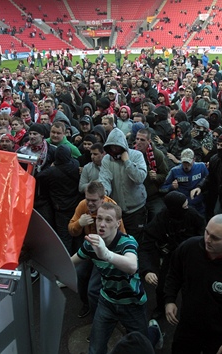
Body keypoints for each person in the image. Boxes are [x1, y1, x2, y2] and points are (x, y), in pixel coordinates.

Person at [71, 202, 162, 354]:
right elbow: (70, 263)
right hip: (107, 301)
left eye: (108, 220)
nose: (102, 224)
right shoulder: (91, 244)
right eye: (99, 219)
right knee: (95, 348)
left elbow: (132, 265)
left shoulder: (127, 241)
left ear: (118, 223)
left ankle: (154, 332)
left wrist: (105, 254)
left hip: (132, 303)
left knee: (141, 347)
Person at [164, 214, 222, 354]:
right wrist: (169, 299)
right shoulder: (190, 248)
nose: (208, 240)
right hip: (188, 328)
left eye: (215, 238)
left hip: (220, 337)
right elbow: (174, 272)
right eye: (207, 232)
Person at [139, 191, 205, 320]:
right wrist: (147, 270)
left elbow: (203, 231)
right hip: (172, 256)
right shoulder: (161, 219)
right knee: (162, 287)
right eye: (184, 206)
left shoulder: (192, 214)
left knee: (195, 287)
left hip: (192, 254)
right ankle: (161, 308)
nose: (187, 208)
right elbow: (146, 245)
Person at [68, 181, 126, 319]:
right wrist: (79, 224)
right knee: (80, 275)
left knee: (93, 289)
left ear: (103, 199)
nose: (89, 203)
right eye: (87, 199)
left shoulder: (112, 209)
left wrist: (115, 260)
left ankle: (99, 319)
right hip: (89, 247)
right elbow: (71, 230)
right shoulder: (83, 206)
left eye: (94, 200)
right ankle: (87, 305)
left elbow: (122, 236)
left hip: (106, 250)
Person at [99, 128, 148, 240]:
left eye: (117, 146)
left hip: (136, 209)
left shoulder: (137, 155)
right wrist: (104, 194)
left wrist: (127, 162)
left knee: (135, 241)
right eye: (112, 147)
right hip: (117, 210)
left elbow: (139, 178)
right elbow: (104, 178)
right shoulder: (107, 159)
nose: (115, 149)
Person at [133, 128, 169, 222]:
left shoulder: (157, 155)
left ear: (149, 141)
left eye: (142, 140)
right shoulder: (131, 154)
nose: (138, 142)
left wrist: (156, 177)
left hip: (153, 197)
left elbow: (165, 175)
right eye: (137, 139)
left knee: (157, 216)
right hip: (135, 196)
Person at [160, 148, 209, 214]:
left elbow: (208, 179)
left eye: (188, 162)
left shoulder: (202, 167)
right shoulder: (174, 171)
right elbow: (162, 188)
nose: (186, 165)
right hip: (183, 207)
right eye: (184, 162)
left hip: (199, 206)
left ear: (194, 160)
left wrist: (199, 187)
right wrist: (172, 186)